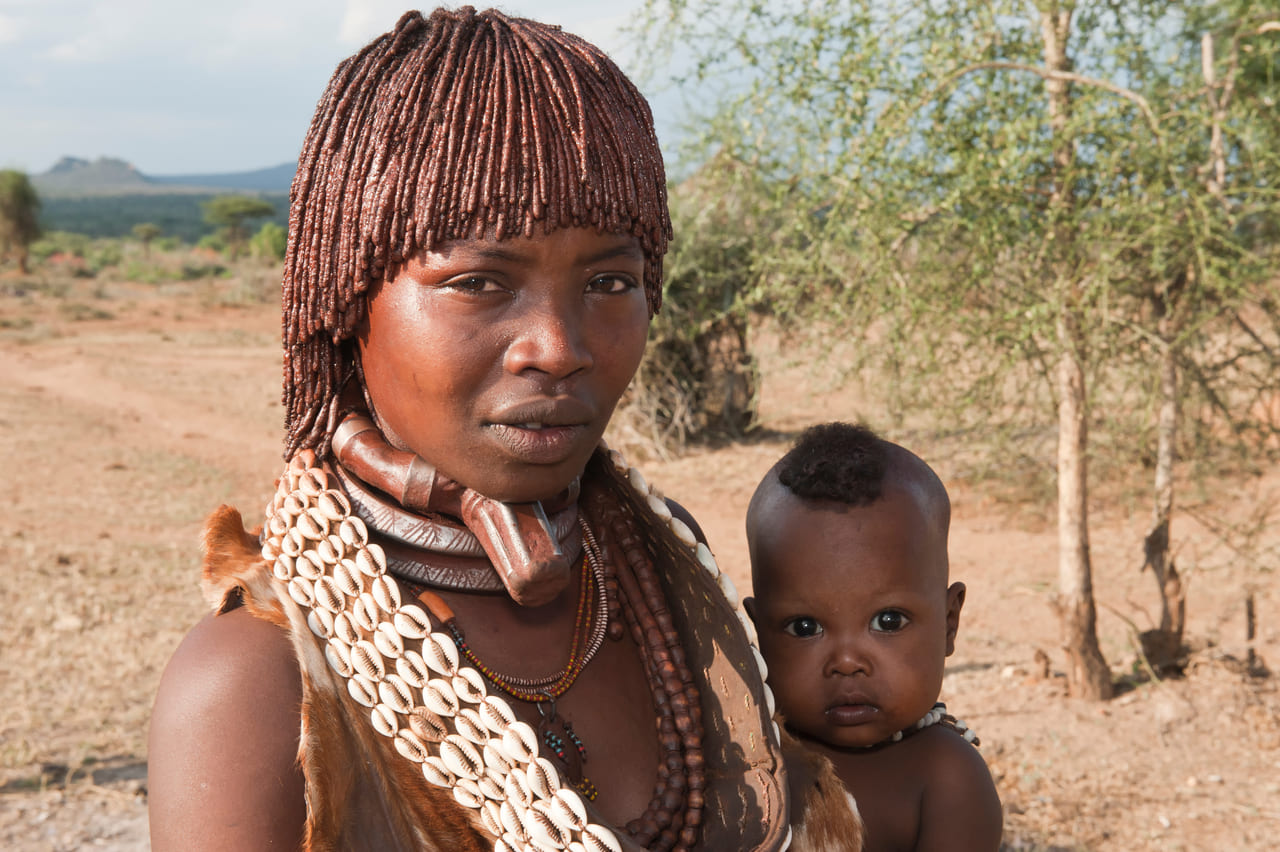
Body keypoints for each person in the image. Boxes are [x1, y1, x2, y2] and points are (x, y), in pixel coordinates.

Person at [147, 8, 796, 851]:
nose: (559, 350)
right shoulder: (257, 686)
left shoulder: (669, 576)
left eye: (609, 280)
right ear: (346, 304)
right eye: (480, 282)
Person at [745, 423, 1002, 852]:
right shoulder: (748, 757)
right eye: (805, 628)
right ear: (758, 634)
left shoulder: (944, 778)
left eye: (888, 621)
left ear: (949, 622)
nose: (847, 661)